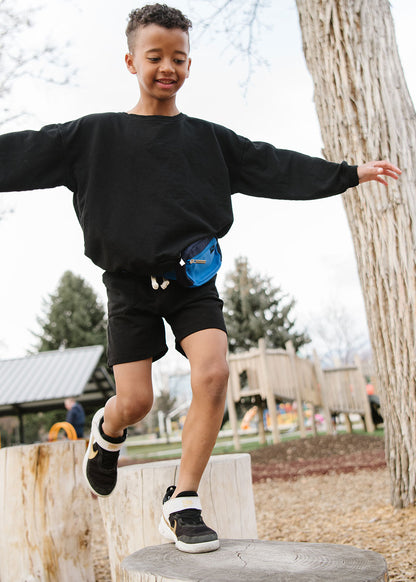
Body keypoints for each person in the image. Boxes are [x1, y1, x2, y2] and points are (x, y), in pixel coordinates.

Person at [0, 3, 401, 554]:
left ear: (189, 65)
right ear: (130, 61)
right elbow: (24, 151)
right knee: (136, 401)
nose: (168, 67)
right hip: (128, 285)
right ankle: (107, 431)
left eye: (180, 58)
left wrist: (348, 174)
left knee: (212, 376)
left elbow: (271, 164)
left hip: (193, 277)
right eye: (155, 56)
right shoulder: (93, 136)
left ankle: (183, 501)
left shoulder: (209, 140)